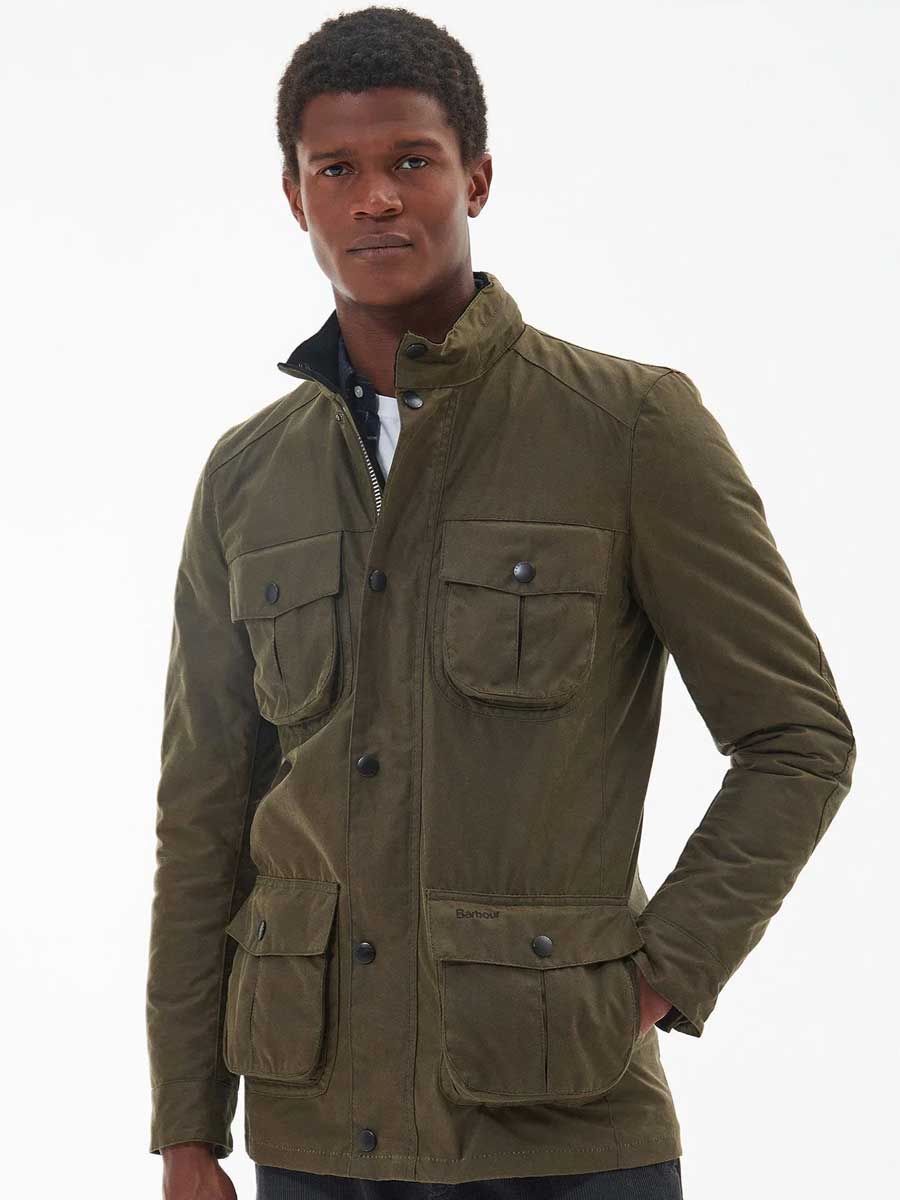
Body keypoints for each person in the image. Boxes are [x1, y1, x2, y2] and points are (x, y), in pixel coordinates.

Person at [145, 7, 856, 1199]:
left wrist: (652, 979)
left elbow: (797, 740)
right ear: (294, 196)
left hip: (565, 1128)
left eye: (411, 160)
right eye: (337, 170)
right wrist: (186, 1129)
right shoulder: (247, 474)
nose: (376, 198)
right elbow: (204, 815)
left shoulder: (628, 428)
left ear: (475, 176)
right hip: (314, 1132)